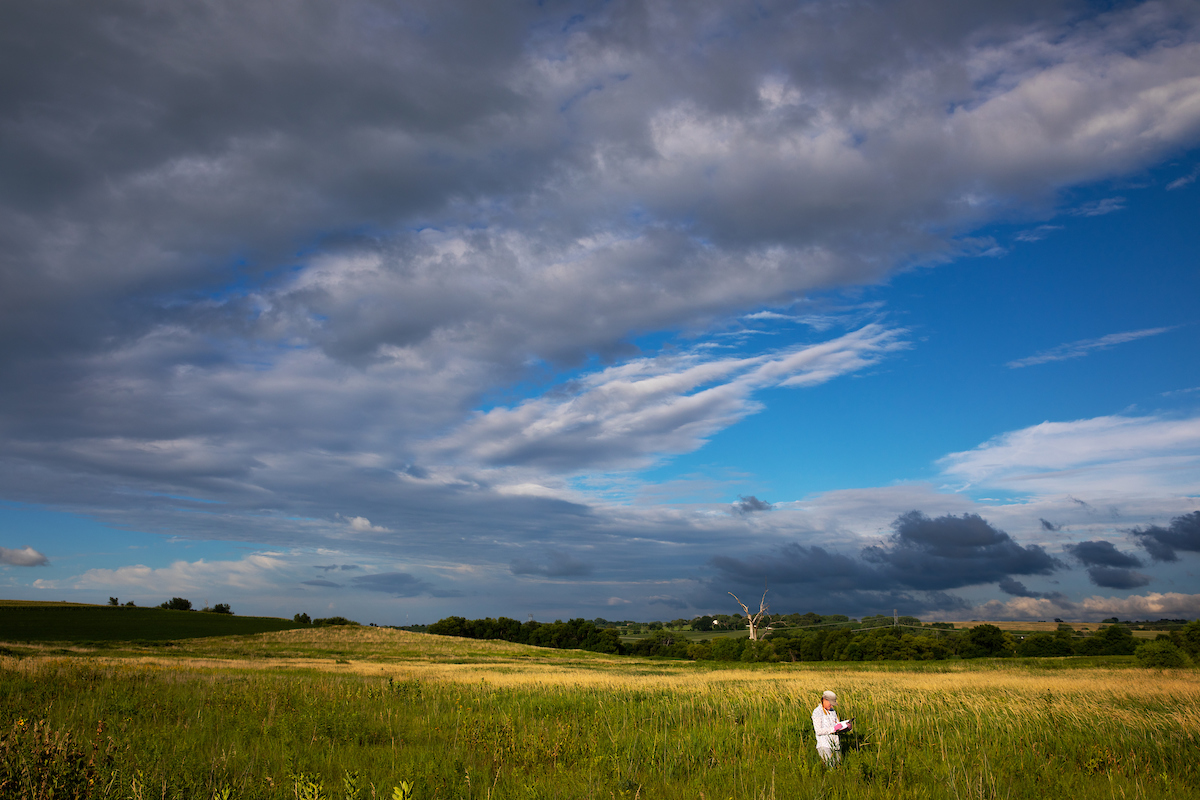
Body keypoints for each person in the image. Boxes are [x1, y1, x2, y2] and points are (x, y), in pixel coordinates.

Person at [811, 689, 848, 764]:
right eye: (830, 703)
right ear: (824, 700)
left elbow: (837, 725)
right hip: (825, 745)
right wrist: (833, 729)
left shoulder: (832, 711)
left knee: (838, 766)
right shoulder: (817, 712)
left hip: (836, 745)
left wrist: (844, 727)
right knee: (831, 767)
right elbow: (818, 731)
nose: (831, 705)